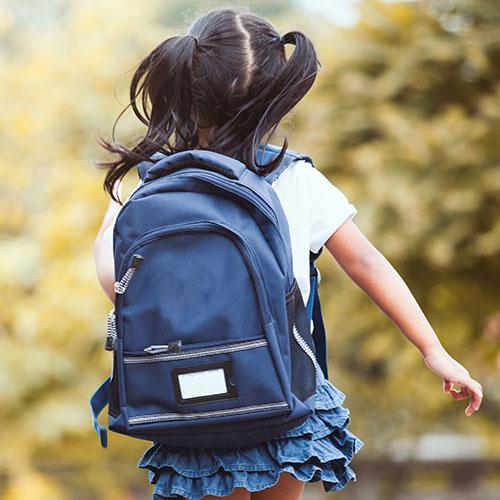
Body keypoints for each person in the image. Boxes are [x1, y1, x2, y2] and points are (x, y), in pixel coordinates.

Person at [93, 7, 483, 500]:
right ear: (273, 100)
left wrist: (112, 223)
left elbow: (117, 288)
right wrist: (434, 351)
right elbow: (367, 264)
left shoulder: (153, 185)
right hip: (283, 387)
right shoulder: (294, 179)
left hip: (185, 393)